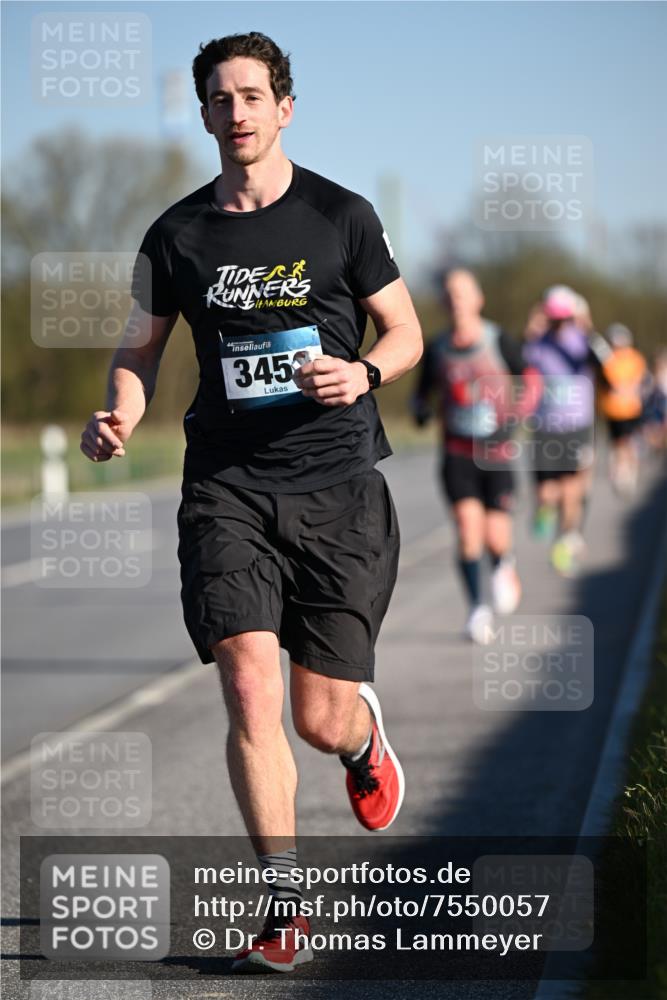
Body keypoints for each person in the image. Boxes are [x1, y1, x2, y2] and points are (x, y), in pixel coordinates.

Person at [80, 32, 422, 972]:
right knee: (245, 683)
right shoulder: (176, 234)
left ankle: (358, 743)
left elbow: (405, 333)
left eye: (251, 96)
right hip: (226, 487)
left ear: (284, 108)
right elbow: (138, 351)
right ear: (203, 114)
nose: (236, 112)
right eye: (219, 99)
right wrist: (117, 411)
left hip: (336, 488)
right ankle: (282, 897)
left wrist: (361, 372)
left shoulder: (340, 215)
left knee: (317, 716)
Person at [411, 269, 540, 644]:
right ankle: (476, 609)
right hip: (456, 454)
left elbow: (531, 379)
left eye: (464, 293)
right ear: (443, 303)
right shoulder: (436, 348)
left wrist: (516, 417)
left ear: (478, 299)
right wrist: (420, 410)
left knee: (496, 538)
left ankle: (504, 563)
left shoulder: (497, 339)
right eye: (450, 294)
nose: (457, 301)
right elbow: (420, 394)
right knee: (469, 532)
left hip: (496, 454)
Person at [523, 285, 605, 577]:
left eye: (563, 319)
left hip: (576, 426)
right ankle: (545, 510)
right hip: (545, 427)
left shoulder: (583, 342)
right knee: (547, 493)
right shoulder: (537, 344)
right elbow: (520, 366)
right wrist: (530, 330)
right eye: (553, 319)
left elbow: (606, 365)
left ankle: (562, 543)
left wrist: (588, 328)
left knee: (572, 491)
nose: (559, 325)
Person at [599, 324, 649, 496]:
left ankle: (627, 472)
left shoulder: (635, 358)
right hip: (614, 409)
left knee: (627, 442)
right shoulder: (609, 359)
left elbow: (639, 382)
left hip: (631, 408)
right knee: (619, 442)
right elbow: (608, 383)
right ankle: (621, 471)